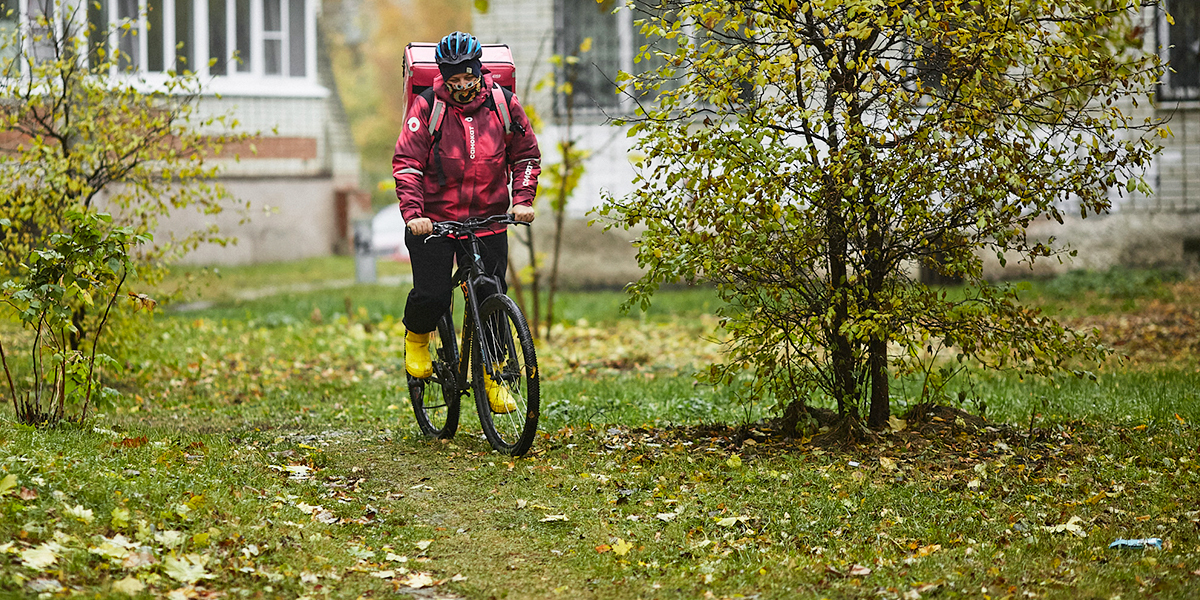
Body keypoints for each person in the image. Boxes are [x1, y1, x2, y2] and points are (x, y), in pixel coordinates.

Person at [392, 31, 540, 414]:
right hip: (435, 222)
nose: (461, 86)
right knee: (433, 294)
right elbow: (407, 164)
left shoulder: (503, 105)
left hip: (488, 219)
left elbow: (525, 156)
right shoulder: (428, 108)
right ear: (443, 75)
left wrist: (522, 201)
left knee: (490, 295)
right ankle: (418, 336)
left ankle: (494, 379)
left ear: (479, 71)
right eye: (453, 78)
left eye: (467, 77)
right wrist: (415, 215)